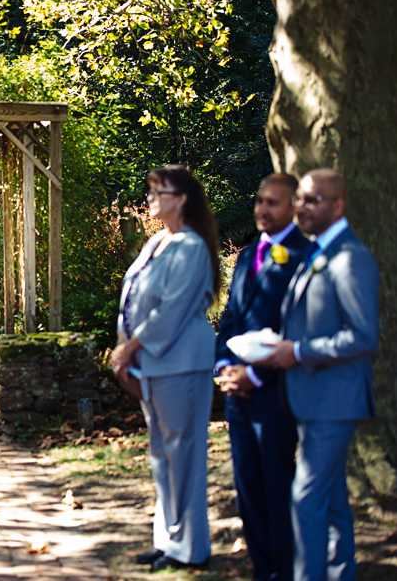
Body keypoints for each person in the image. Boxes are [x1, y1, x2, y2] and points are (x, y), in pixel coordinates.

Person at [257, 168, 379, 581]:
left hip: (336, 399)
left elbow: (363, 337)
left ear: (337, 205)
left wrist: (298, 351)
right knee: (331, 502)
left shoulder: (350, 257)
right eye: (300, 199)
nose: (301, 207)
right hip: (309, 397)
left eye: (313, 200)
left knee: (305, 499)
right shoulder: (316, 251)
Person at [110, 164, 220, 572]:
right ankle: (167, 540)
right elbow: (133, 298)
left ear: (183, 199)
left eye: (160, 191)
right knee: (160, 452)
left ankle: (192, 548)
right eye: (150, 191)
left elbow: (171, 310)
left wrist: (130, 348)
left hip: (181, 362)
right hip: (151, 362)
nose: (151, 198)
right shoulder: (157, 240)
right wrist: (125, 346)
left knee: (183, 451)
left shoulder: (191, 247)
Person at [215, 173, 309, 581]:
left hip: (277, 392)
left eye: (273, 202)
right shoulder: (246, 256)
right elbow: (231, 319)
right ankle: (261, 568)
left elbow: (299, 327)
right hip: (237, 392)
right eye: (259, 201)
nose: (262, 209)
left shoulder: (305, 256)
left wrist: (255, 375)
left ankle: (283, 569)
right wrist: (225, 368)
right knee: (247, 486)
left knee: (276, 483)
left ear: (292, 207)